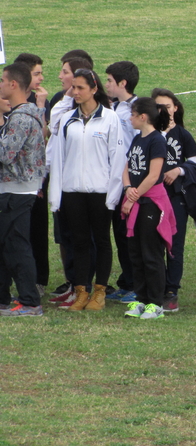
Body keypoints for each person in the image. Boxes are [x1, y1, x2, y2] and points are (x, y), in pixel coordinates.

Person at [48, 69, 126, 312]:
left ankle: (100, 292)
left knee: (102, 240)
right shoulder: (67, 120)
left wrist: (113, 195)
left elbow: (118, 159)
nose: (76, 92)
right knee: (79, 242)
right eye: (74, 88)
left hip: (100, 191)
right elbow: (58, 158)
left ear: (94, 89)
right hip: (72, 192)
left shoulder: (110, 118)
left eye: (81, 87)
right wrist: (57, 195)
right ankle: (81, 291)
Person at [120, 98, 177, 320]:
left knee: (151, 253)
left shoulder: (157, 141)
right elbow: (127, 167)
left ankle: (156, 303)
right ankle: (141, 299)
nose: (129, 118)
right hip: (136, 200)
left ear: (143, 117)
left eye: (132, 114)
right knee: (136, 253)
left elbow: (154, 175)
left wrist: (133, 197)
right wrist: (127, 188)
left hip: (150, 203)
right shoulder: (137, 139)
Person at [46, 56, 95, 306]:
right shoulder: (62, 103)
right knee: (64, 235)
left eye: (65, 72)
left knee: (83, 237)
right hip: (60, 179)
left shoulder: (97, 114)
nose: (60, 77)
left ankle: (86, 285)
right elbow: (54, 124)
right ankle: (73, 282)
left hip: (84, 184)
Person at [0, 63, 47, 317]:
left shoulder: (20, 118)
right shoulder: (25, 114)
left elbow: (6, 154)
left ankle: (30, 302)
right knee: (8, 245)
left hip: (17, 190)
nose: (0, 85)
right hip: (16, 188)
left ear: (13, 84)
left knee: (17, 246)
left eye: (2, 81)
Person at [152, 88, 196, 313]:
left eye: (167, 106)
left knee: (174, 245)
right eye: (158, 107)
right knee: (153, 244)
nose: (163, 110)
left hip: (176, 198)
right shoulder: (151, 135)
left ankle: (171, 291)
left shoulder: (183, 135)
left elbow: (195, 167)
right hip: (151, 197)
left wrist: (179, 170)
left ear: (176, 108)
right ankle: (154, 288)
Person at [13, 53, 49, 296]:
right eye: (37, 73)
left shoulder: (37, 104)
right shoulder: (9, 104)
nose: (42, 78)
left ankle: (38, 281)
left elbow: (41, 139)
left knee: (36, 232)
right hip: (12, 184)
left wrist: (41, 108)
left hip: (33, 183)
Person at [105, 61, 140, 304]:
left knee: (131, 236)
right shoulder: (113, 108)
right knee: (119, 234)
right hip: (113, 181)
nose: (106, 84)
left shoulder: (134, 111)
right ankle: (126, 282)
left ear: (122, 83)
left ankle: (137, 284)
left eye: (109, 80)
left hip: (130, 181)